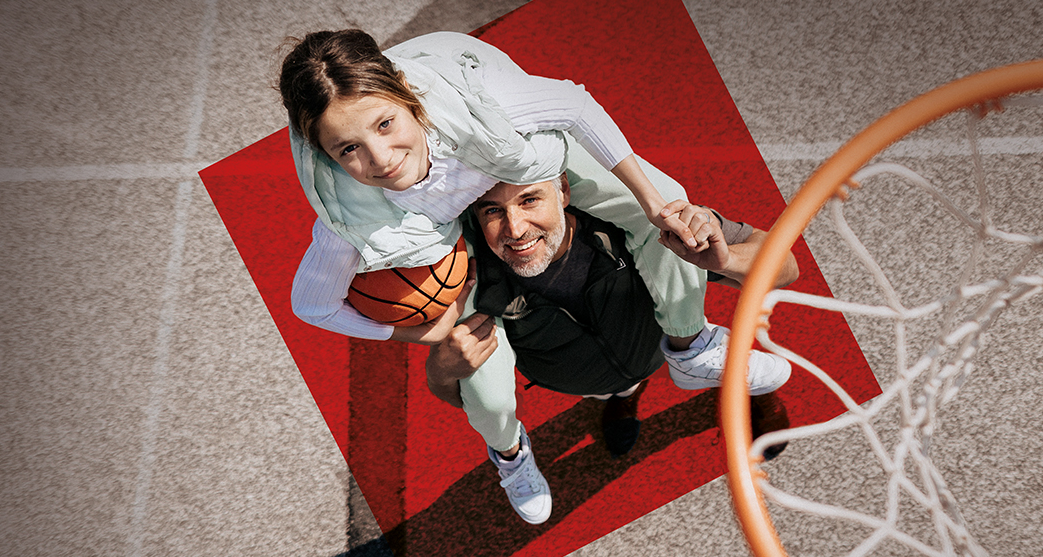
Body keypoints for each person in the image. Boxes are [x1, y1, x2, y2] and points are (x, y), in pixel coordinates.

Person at [280, 29, 717, 524]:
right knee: (486, 393)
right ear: (326, 155)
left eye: (385, 123)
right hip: (449, 239)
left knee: (668, 206)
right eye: (347, 149)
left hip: (505, 158)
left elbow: (575, 105)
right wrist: (420, 334)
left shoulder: (483, 105)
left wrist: (652, 203)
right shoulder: (348, 220)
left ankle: (689, 344)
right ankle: (510, 453)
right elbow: (312, 305)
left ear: (407, 95)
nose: (380, 158)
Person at [424, 174, 799, 523]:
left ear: (564, 190)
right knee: (616, 387)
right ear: (474, 216)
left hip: (659, 344)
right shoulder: (470, 282)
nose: (516, 228)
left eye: (530, 200)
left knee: (744, 369)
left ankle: (759, 396)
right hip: (591, 380)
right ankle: (623, 398)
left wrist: (728, 260)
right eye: (492, 210)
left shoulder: (636, 222)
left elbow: (787, 266)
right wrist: (440, 369)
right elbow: (471, 400)